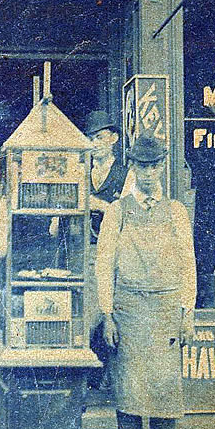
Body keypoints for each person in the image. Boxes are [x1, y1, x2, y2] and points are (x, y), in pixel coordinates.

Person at [95, 134, 196, 429]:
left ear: (162, 167)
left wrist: (188, 312)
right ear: (133, 167)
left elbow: (188, 264)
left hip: (167, 308)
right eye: (142, 165)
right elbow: (104, 264)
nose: (148, 172)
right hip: (130, 308)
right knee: (129, 387)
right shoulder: (116, 212)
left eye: (154, 165)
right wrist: (107, 313)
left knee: (166, 388)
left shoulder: (176, 212)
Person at [83, 110, 128, 388]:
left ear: (112, 139)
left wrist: (95, 204)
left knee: (114, 314)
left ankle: (113, 379)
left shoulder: (126, 175)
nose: (95, 144)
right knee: (89, 316)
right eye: (91, 139)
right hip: (87, 251)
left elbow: (126, 214)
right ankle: (89, 380)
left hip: (116, 254)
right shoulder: (80, 174)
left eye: (100, 138)